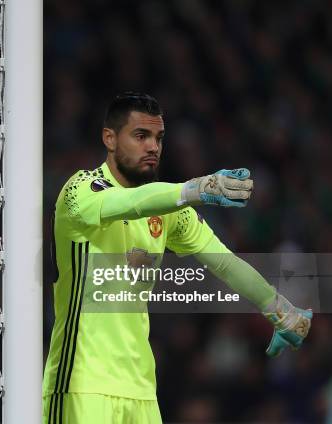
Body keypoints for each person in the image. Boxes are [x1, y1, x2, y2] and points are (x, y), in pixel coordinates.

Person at [42, 92, 313, 423]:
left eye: (158, 138)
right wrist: (194, 189)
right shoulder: (81, 189)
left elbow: (224, 263)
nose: (152, 147)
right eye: (140, 136)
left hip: (141, 392)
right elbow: (128, 203)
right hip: (82, 384)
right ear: (109, 139)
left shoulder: (168, 211)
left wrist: (279, 309)